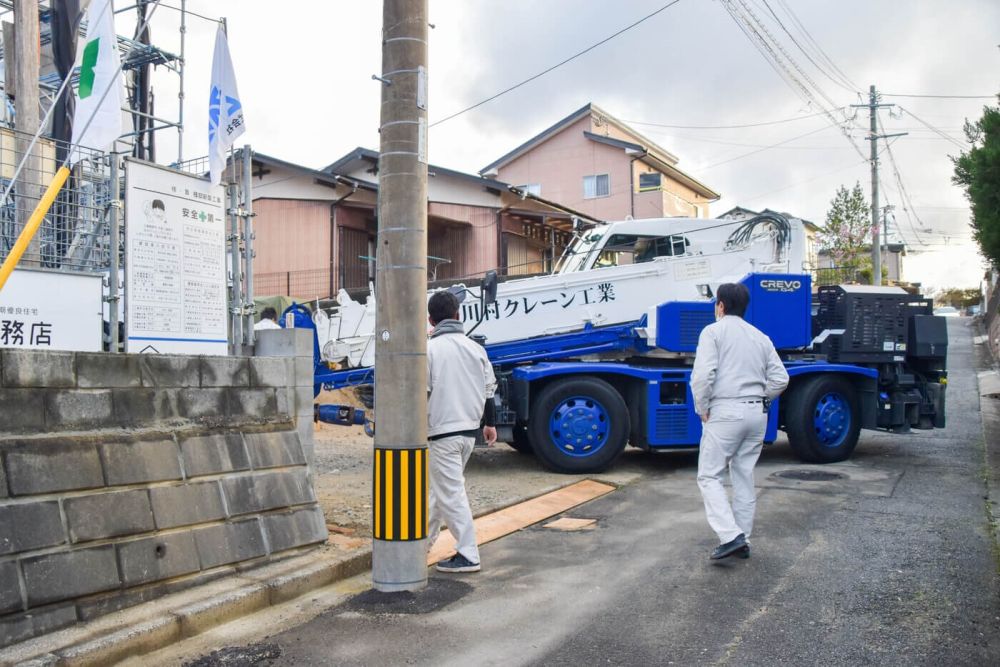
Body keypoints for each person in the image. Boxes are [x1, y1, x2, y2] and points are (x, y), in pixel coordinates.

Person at [690, 282, 789, 560]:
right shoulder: (760, 336)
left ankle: (730, 535)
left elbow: (702, 376)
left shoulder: (713, 332)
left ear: (720, 306)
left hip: (725, 412)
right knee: (744, 475)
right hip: (757, 413)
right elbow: (781, 379)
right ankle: (742, 539)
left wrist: (702, 407)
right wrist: (763, 399)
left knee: (709, 475)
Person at [426, 290, 497, 573]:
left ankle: (468, 553)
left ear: (431, 320)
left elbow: (423, 393)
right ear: (458, 315)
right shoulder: (475, 349)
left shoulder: (429, 350)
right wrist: (490, 424)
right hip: (470, 434)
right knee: (441, 494)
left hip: (442, 433)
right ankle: (421, 545)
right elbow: (489, 389)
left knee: (450, 493)